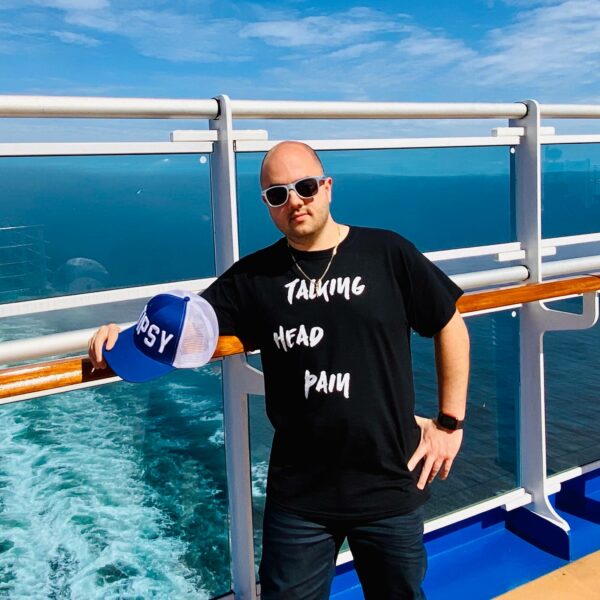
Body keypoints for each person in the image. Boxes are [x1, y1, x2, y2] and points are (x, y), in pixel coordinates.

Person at [88, 141, 470, 599]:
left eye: (305, 187)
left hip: (388, 484)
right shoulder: (254, 278)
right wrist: (122, 336)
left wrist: (449, 422)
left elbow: (449, 322)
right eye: (277, 194)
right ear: (268, 206)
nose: (295, 201)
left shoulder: (387, 253)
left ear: (327, 188)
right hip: (301, 497)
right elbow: (186, 324)